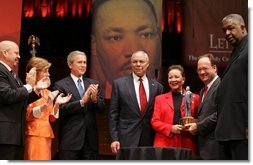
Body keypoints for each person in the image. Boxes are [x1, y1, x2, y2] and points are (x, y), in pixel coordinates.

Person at [91, 0, 162, 99]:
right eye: (116, 38)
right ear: (94, 45)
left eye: (145, 35)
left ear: (159, 38)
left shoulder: (161, 91)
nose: (133, 51)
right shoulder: (93, 97)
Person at [0, 40, 49, 159]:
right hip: (5, 135)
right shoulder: (1, 70)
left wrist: (36, 89)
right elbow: (7, 95)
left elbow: (22, 99)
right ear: (5, 53)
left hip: (16, 135)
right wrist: (29, 86)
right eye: (16, 53)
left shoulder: (12, 74)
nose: (19, 56)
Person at [53, 50, 105, 160]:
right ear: (70, 64)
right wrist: (81, 102)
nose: (83, 65)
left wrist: (95, 99)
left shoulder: (93, 84)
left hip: (90, 140)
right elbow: (60, 110)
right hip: (70, 140)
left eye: (85, 62)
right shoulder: (60, 85)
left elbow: (101, 109)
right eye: (79, 62)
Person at [109, 50, 163, 154]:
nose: (138, 64)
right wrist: (114, 138)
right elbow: (113, 114)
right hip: (125, 138)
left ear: (148, 64)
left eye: (141, 61)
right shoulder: (119, 84)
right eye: (135, 61)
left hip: (149, 138)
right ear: (131, 64)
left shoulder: (157, 87)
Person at [24, 57, 72, 160]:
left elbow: (51, 119)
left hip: (46, 134)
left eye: (48, 71)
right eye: (45, 71)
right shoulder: (28, 90)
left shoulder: (47, 92)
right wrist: (46, 105)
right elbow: (28, 115)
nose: (48, 74)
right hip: (34, 134)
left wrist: (57, 104)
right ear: (35, 72)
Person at [214, 14, 248, 160]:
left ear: (242, 27)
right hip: (231, 128)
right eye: (224, 30)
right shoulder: (239, 49)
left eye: (230, 28)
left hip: (242, 128)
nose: (227, 33)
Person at [151, 65, 200, 155]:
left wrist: (194, 126)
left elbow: (200, 120)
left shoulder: (195, 98)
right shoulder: (159, 99)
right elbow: (155, 122)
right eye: (170, 77)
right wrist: (171, 128)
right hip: (164, 144)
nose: (173, 80)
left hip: (187, 143)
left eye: (176, 77)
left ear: (183, 79)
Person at [186, 53, 225, 159]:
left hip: (216, 146)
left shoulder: (222, 86)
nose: (202, 72)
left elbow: (221, 113)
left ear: (214, 68)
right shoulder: (203, 90)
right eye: (199, 70)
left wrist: (198, 127)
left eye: (205, 68)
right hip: (205, 146)